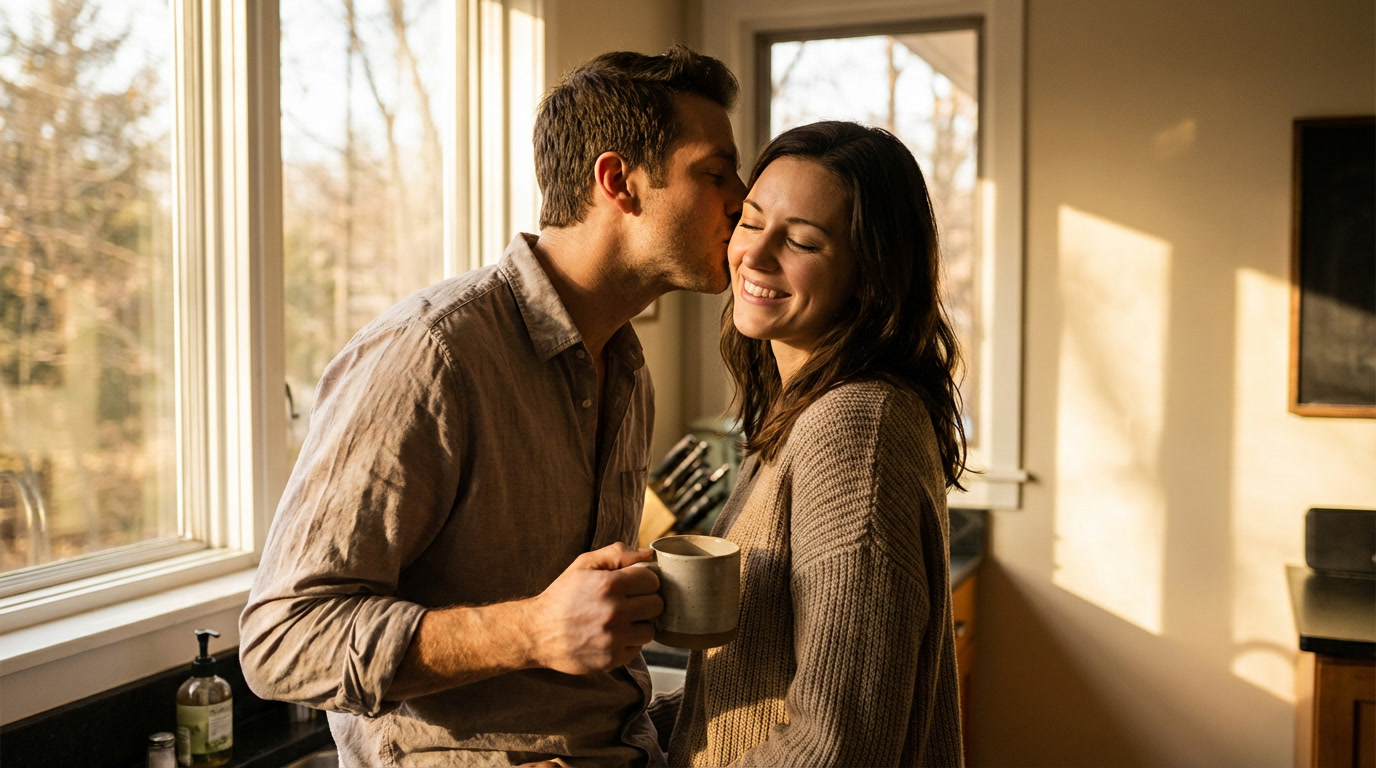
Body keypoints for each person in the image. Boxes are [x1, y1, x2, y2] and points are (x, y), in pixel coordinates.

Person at [239, 46, 746, 767]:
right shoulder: (430, 355)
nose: (741, 199)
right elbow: (281, 641)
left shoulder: (627, 368)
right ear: (618, 182)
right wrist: (533, 629)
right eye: (715, 173)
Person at [647, 121, 969, 767]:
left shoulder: (854, 429)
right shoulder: (803, 410)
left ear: (869, 274)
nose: (756, 256)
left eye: (801, 241)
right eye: (750, 221)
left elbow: (837, 745)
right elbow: (750, 694)